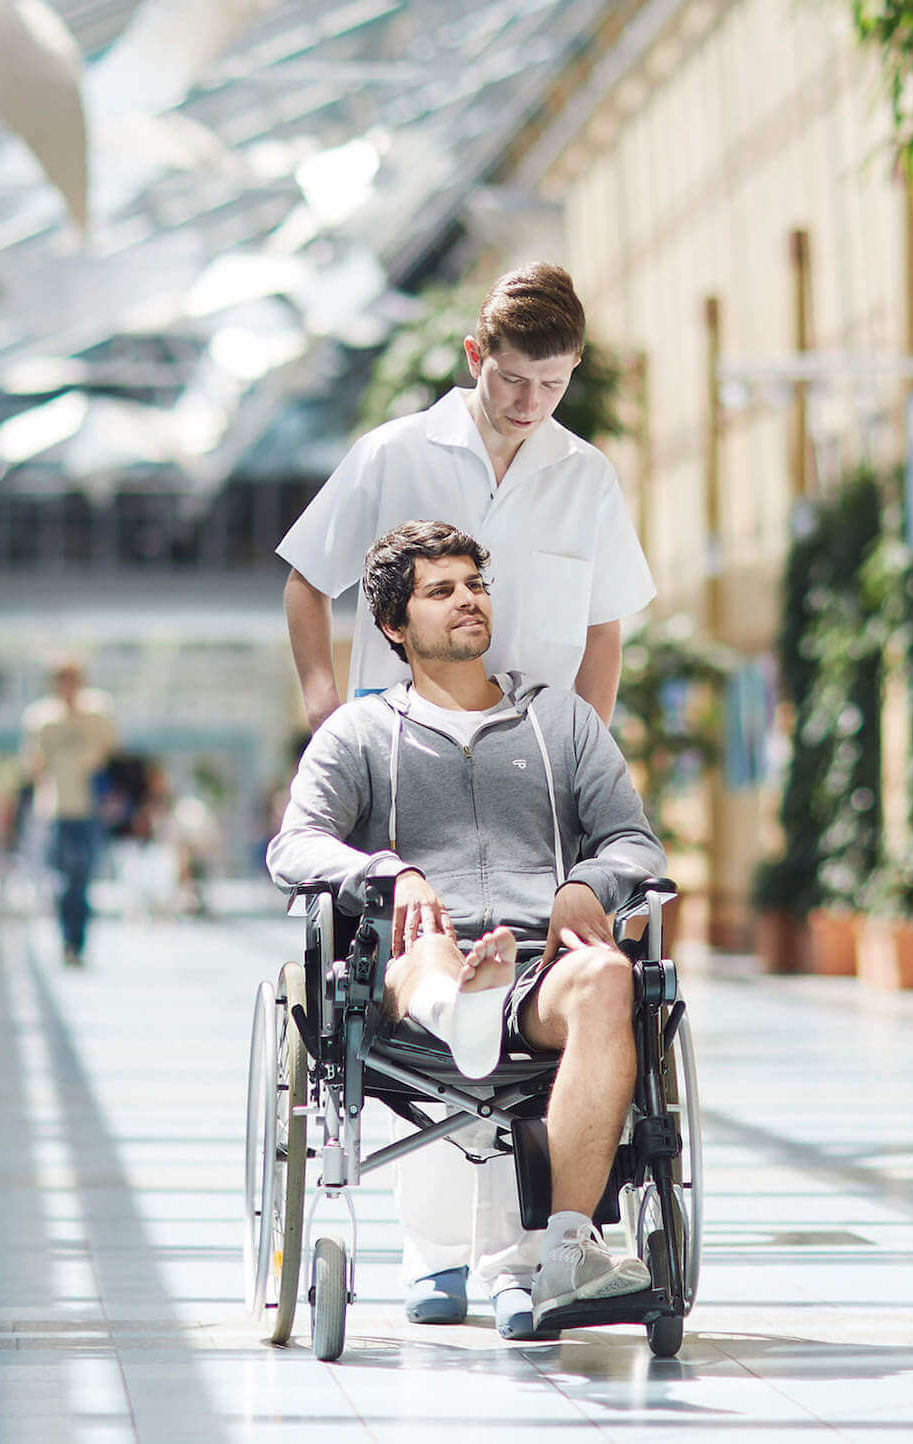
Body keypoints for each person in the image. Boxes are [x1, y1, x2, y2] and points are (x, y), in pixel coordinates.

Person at [276, 262, 657, 1338]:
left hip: (535, 765)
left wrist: (579, 758)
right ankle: (441, 1250)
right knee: (427, 934)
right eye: (515, 380)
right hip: (404, 759)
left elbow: (604, 627)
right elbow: (309, 577)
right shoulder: (393, 456)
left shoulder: (584, 476)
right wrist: (324, 710)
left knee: (529, 964)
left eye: (555, 382)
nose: (531, 402)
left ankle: (519, 1255)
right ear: (474, 359)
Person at [20, 660, 119, 968]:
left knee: (82, 878)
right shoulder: (41, 719)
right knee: (62, 879)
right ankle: (67, 942)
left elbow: (111, 754)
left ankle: (77, 943)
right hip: (54, 810)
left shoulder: (97, 713)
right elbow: (32, 764)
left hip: (88, 808)